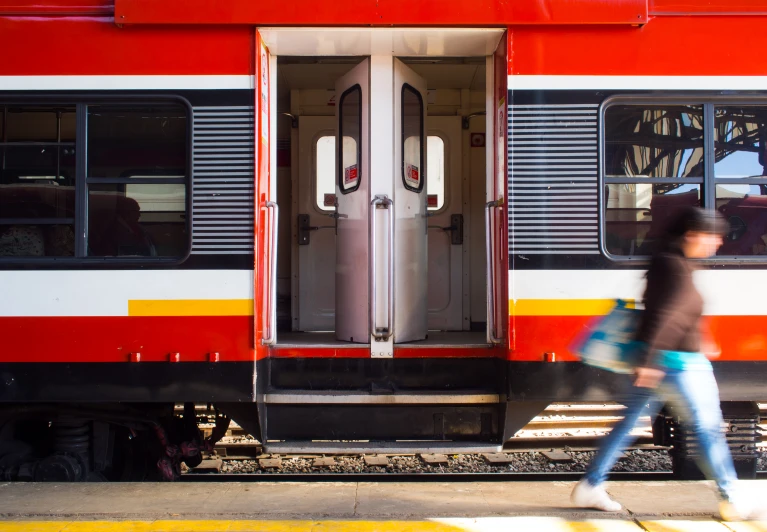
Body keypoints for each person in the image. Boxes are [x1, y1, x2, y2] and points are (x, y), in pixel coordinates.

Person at [570, 206, 762, 521]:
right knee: (707, 429)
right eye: (713, 237)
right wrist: (650, 361)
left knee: (629, 422)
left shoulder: (677, 263)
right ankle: (732, 497)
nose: (717, 244)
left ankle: (591, 485)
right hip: (677, 364)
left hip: (668, 359)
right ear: (693, 235)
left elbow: (678, 311)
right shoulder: (673, 266)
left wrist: (698, 340)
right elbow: (662, 316)